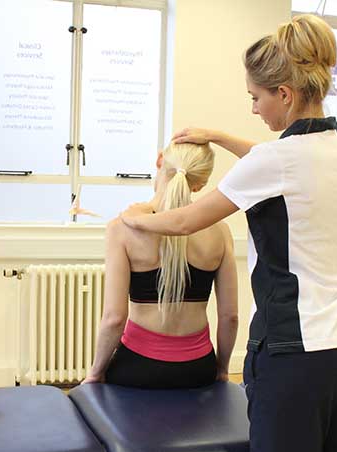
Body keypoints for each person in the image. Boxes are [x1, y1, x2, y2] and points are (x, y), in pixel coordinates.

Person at [121, 13, 337, 452]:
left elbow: (185, 221)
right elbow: (279, 161)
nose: (254, 108)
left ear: (284, 93)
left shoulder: (276, 162)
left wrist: (135, 220)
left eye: (256, 97)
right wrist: (219, 137)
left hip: (294, 358)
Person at [81, 142, 239, 389]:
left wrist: (95, 372)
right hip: (198, 368)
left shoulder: (121, 228)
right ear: (200, 183)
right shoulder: (220, 232)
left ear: (159, 160)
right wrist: (221, 370)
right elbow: (230, 317)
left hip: (137, 366)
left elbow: (114, 318)